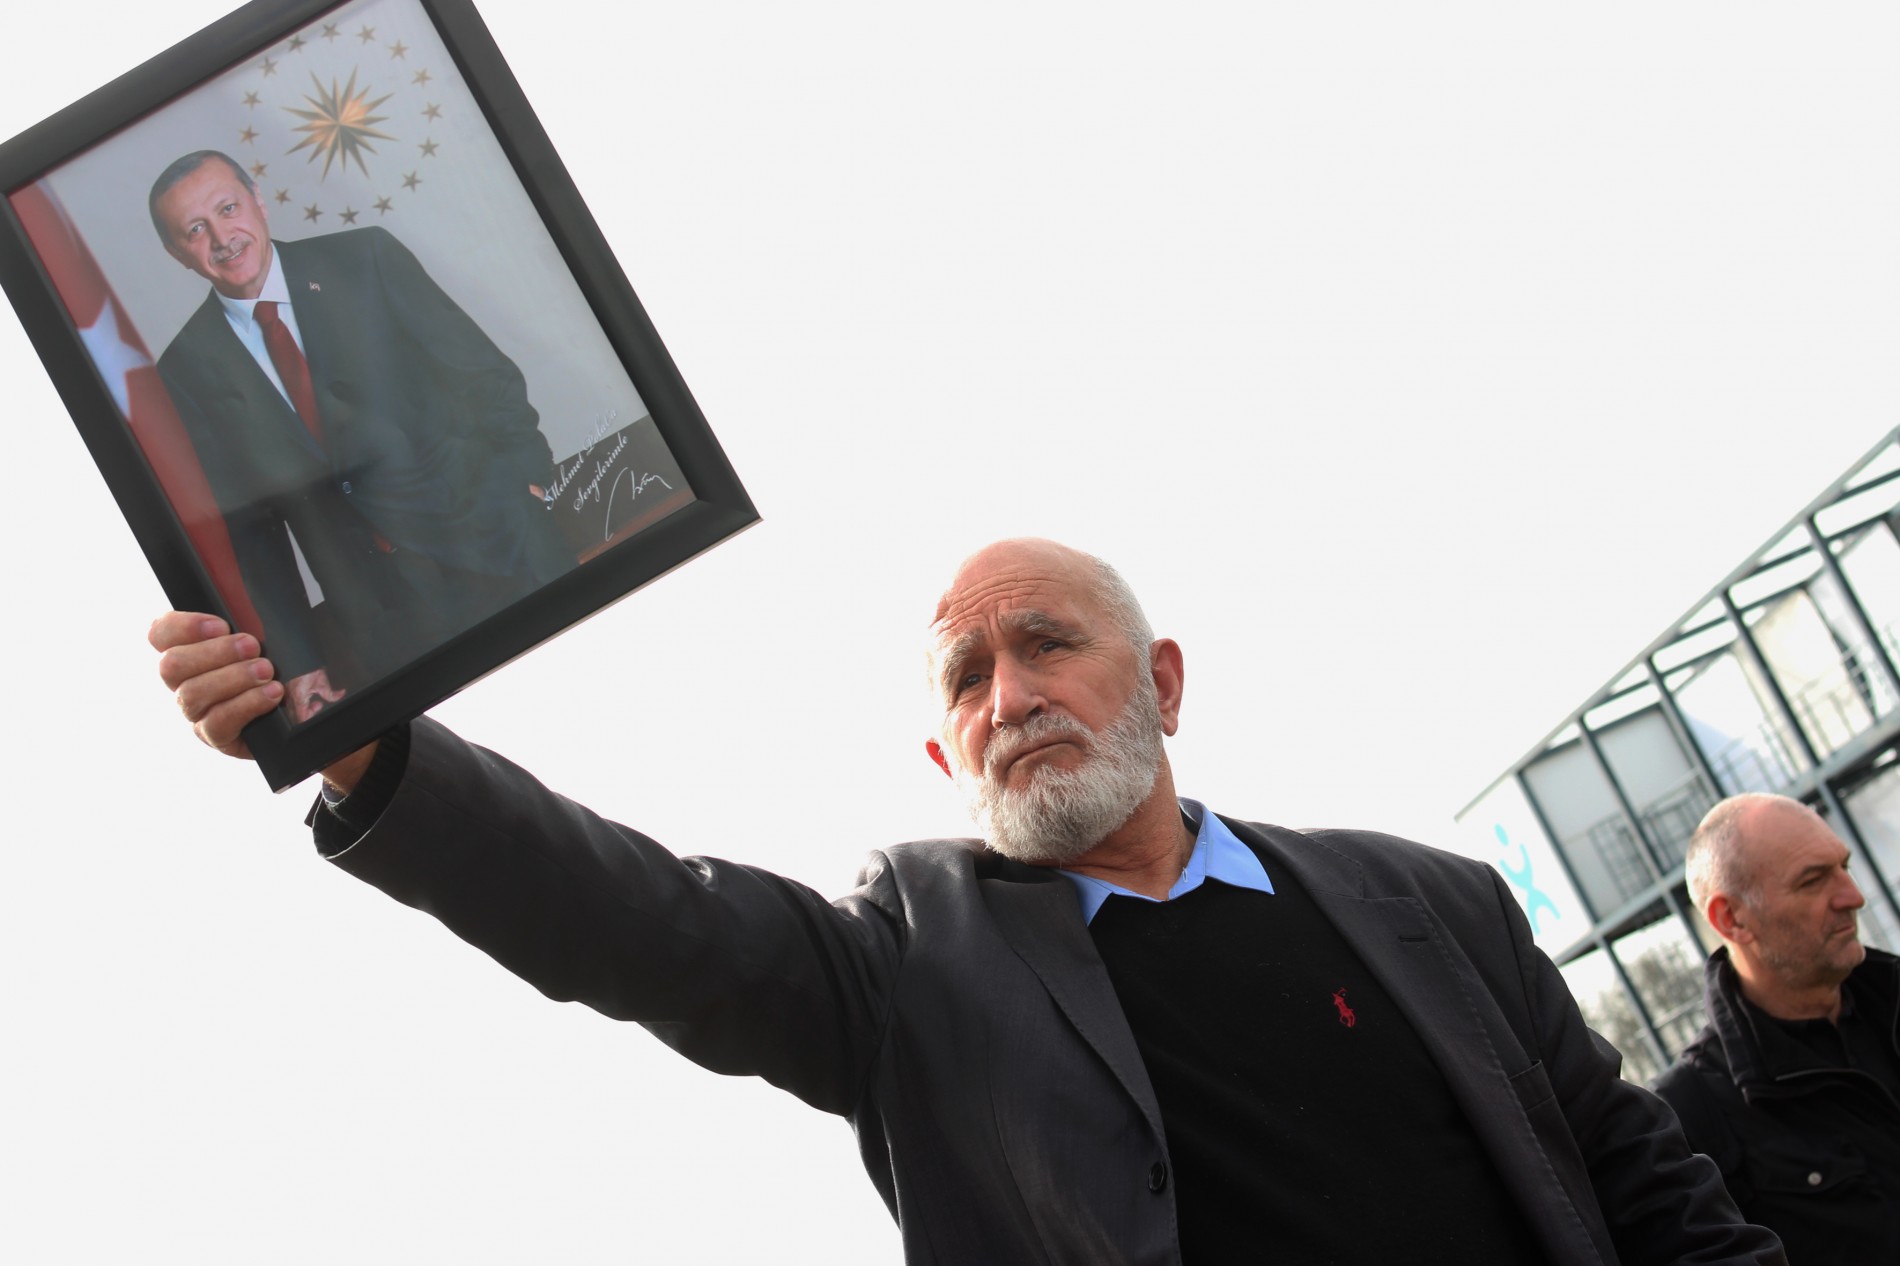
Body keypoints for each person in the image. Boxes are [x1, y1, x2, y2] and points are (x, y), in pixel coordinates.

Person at [151, 538, 1784, 1265]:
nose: (1007, 690)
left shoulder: (1431, 904)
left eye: (1045, 642)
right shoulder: (902, 970)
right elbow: (638, 921)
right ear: (942, 750)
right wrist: (375, 760)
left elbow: (1639, 1178)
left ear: (1160, 677)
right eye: (965, 676)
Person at [148, 150, 573, 721]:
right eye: (196, 230)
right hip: (384, 621)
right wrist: (298, 664)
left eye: (228, 208)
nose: (223, 237)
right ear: (177, 253)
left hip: (501, 543)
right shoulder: (184, 368)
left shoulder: (364, 257)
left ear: (258, 199)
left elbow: (482, 374)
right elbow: (252, 533)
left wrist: (530, 485)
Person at [1654, 793, 1900, 1262]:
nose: (1853, 896)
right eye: (1813, 880)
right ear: (1732, 918)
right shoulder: (1689, 1117)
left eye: (1844, 867)